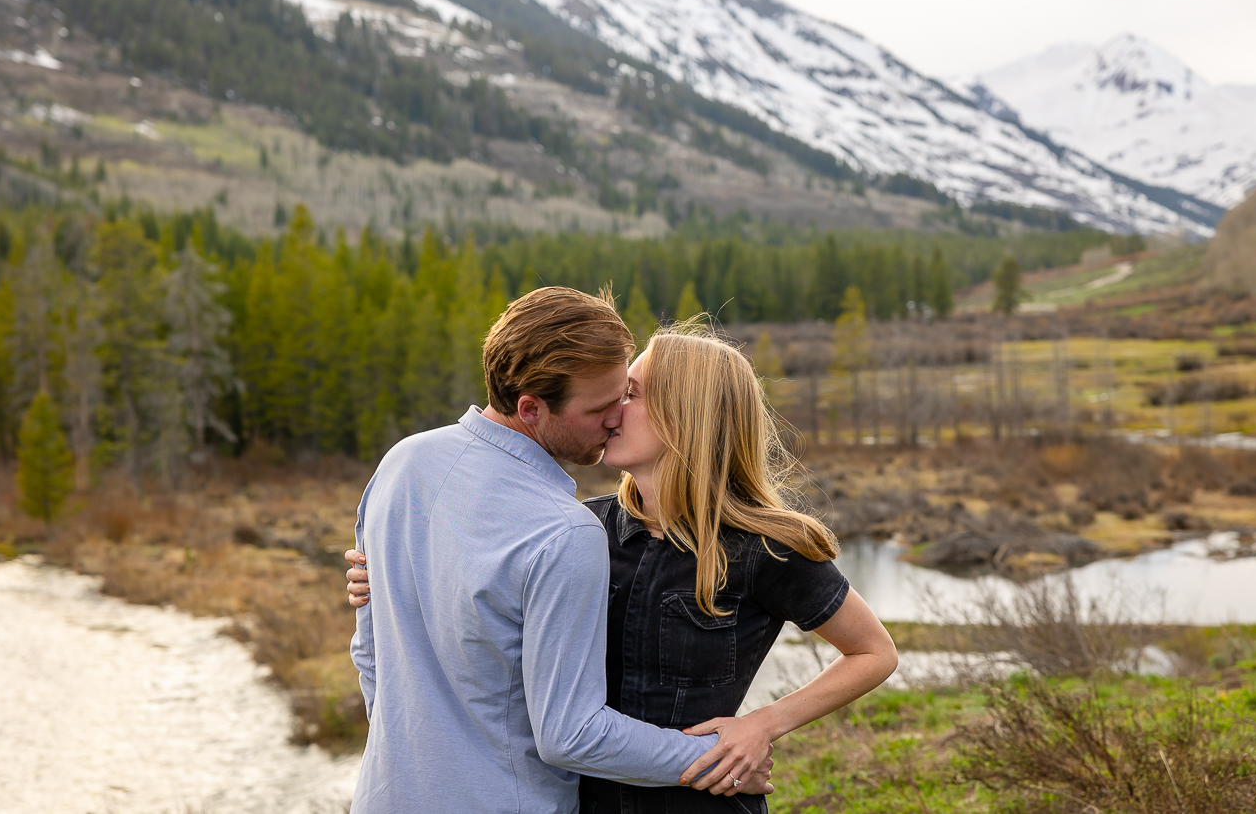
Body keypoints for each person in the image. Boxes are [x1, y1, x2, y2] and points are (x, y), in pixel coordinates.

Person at [348, 321, 899, 812]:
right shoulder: (583, 530)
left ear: (684, 415)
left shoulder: (767, 546)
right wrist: (392, 579)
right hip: (584, 800)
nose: (613, 410)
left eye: (629, 393)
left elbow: (873, 651)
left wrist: (763, 725)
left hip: (701, 801)